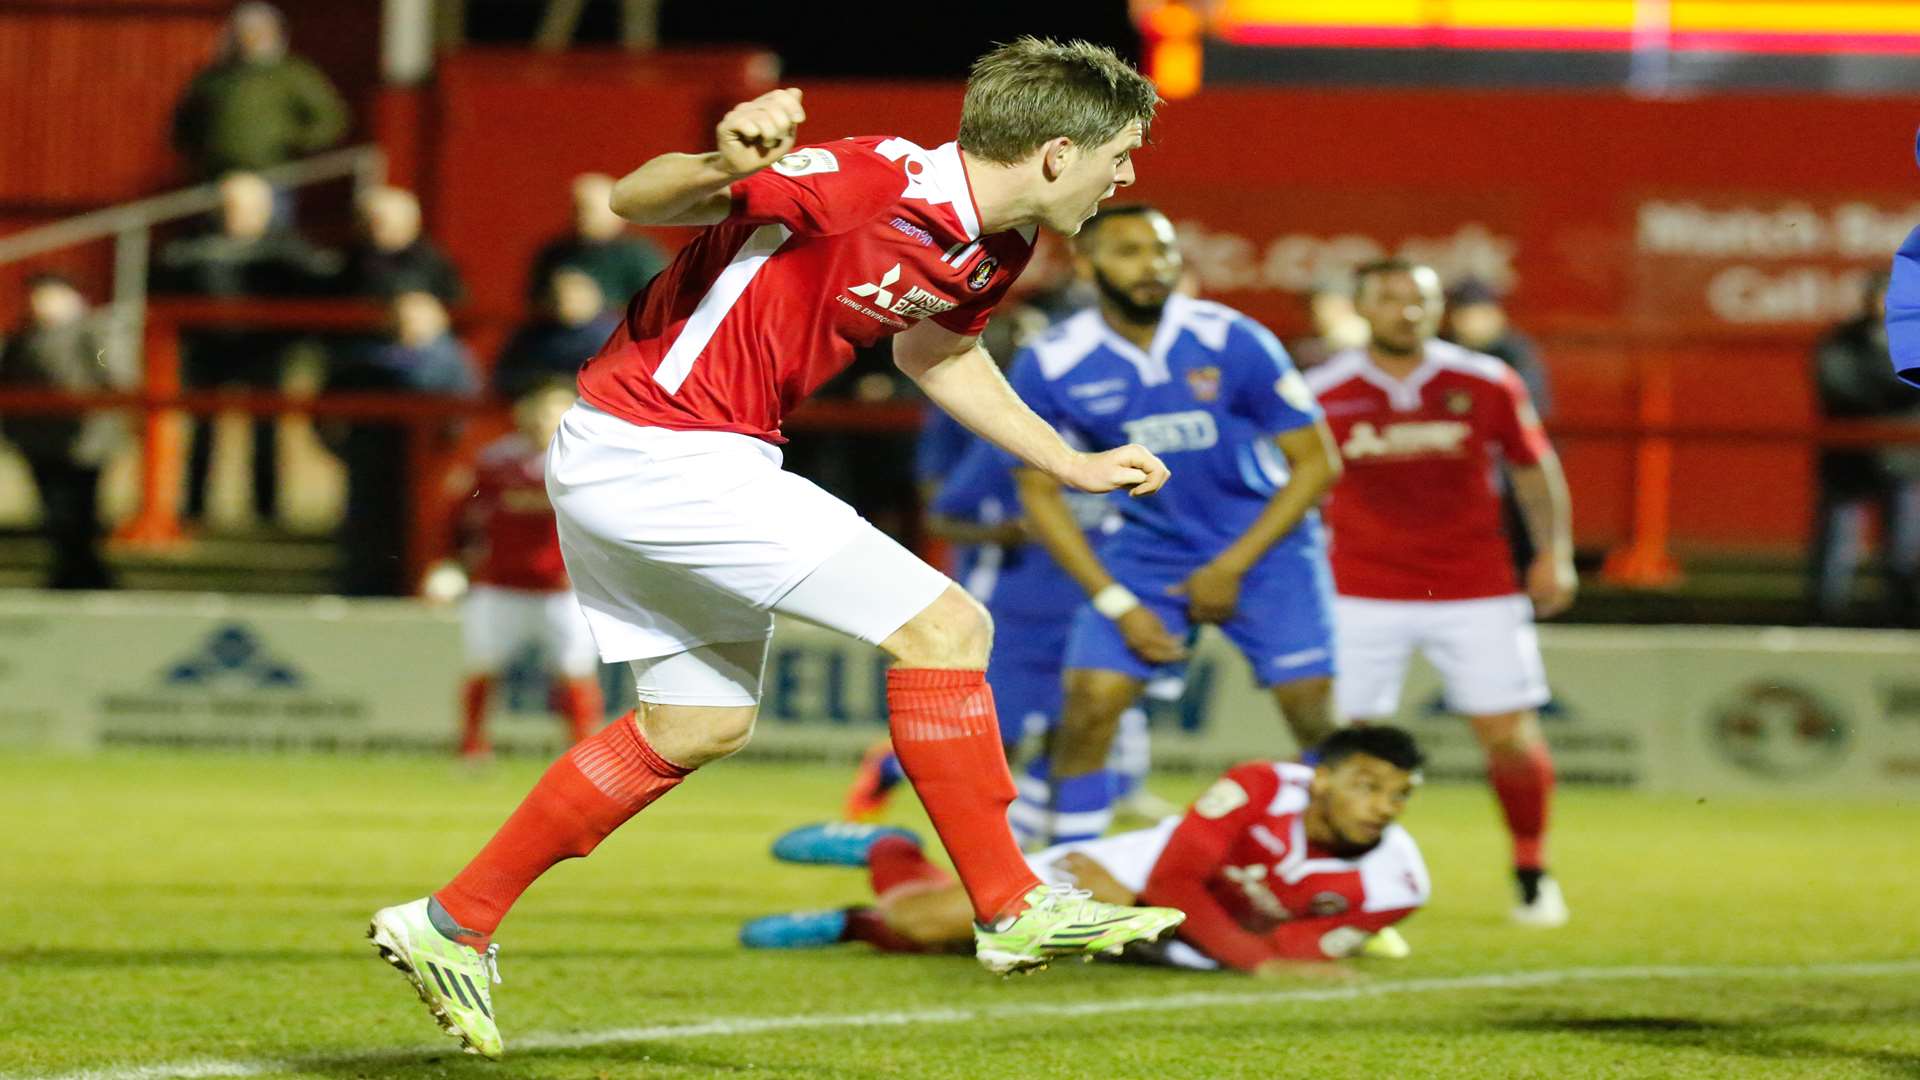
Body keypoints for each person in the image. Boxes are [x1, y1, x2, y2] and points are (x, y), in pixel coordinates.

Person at [366, 38, 1185, 1060]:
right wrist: (723, 164)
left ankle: (452, 921)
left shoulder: (997, 245)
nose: (1130, 175)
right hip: (664, 450)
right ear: (1059, 153)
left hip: (666, 455)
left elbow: (938, 350)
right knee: (947, 626)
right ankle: (1013, 904)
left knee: (697, 724)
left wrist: (1066, 461)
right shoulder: (869, 177)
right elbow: (636, 198)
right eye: (1121, 153)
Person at [1007, 205, 1345, 847]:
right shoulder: (1052, 361)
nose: (1152, 266)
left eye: (1162, 251)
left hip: (1268, 552)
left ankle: (1339, 880)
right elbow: (1037, 491)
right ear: (1086, 265)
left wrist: (1230, 567)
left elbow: (1316, 464)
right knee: (1089, 708)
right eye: (1129, 251)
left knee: (1317, 725)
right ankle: (1075, 885)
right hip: (1148, 553)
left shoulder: (1231, 338)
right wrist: (1114, 599)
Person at [1304, 259, 1576, 928]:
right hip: (1361, 588)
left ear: (1438, 309)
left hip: (1475, 585)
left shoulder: (1484, 379)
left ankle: (1532, 869)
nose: (1406, 311)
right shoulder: (1319, 388)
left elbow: (1533, 468)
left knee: (1510, 736)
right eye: (1390, 299)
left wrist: (1554, 553)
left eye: (1419, 300)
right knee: (1346, 745)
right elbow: (1291, 483)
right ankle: (1336, 879)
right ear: (1361, 308)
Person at [744, 725, 1429, 973]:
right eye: (1367, 785)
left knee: (992, 948)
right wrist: (1253, 960)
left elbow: (1301, 953)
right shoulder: (1259, 785)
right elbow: (1176, 880)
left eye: (1397, 795)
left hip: (1170, 929)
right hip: (1134, 876)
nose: (1382, 808)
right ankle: (887, 855)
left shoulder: (1399, 885)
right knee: (922, 923)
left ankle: (849, 923)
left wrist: (1136, 927)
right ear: (1322, 778)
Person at [152, 170, 340, 527]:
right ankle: (194, 509)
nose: (237, 215)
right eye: (230, 207)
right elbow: (163, 286)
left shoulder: (288, 249)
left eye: (247, 208)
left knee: (266, 433)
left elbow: (312, 291)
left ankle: (267, 512)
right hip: (207, 349)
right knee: (202, 432)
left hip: (264, 350)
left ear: (266, 209)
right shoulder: (191, 246)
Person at [432, 380, 603, 757]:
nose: (545, 422)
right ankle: (472, 750)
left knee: (575, 670)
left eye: (555, 413)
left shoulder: (592, 462)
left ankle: (582, 755)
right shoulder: (495, 462)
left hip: (565, 589)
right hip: (501, 586)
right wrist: (449, 562)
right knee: (482, 664)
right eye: (540, 412)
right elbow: (458, 515)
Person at [323, 290, 477, 596]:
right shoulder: (361, 359)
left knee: (426, 530)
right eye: (403, 316)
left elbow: (464, 417)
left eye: (418, 316)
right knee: (367, 530)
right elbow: (327, 408)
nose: (410, 324)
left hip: (429, 465)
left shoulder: (454, 361)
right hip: (372, 459)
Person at [0, 274, 134, 589]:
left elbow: (111, 371)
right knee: (53, 509)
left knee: (80, 508)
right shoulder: (23, 338)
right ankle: (70, 567)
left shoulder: (95, 332)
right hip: (38, 439)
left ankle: (86, 570)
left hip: (85, 439)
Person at [1807, 272, 1920, 626]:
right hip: (1851, 456)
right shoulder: (1841, 341)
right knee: (1839, 542)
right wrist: (1892, 388)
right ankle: (1827, 610)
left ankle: (1900, 610)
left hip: (1901, 458)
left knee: (1904, 544)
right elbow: (1838, 384)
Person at [169, 2, 348, 185]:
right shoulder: (216, 77)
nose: (253, 37)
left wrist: (294, 142)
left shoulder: (292, 73)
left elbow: (330, 118)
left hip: (275, 175)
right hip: (219, 178)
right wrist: (200, 154)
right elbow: (186, 121)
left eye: (261, 30)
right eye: (247, 31)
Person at [524, 172, 670, 311]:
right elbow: (534, 298)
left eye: (589, 209)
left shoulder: (639, 255)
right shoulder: (556, 252)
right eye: (577, 209)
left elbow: (657, 304)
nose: (583, 217)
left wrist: (597, 306)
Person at [491, 268, 619, 401]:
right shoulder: (530, 335)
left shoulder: (615, 336)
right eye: (561, 297)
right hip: (535, 403)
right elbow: (505, 378)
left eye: (578, 297)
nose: (568, 303)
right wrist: (541, 383)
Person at [339, 187, 465, 305]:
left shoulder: (427, 261)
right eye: (365, 221)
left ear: (409, 224)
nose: (372, 229)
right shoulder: (351, 257)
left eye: (380, 222)